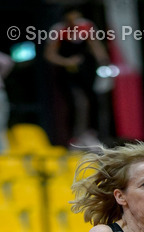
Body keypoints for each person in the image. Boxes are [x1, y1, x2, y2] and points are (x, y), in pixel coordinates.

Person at [44, 7, 109, 148]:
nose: (75, 24)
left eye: (77, 19)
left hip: (86, 70)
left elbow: (96, 46)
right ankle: (73, 138)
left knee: (94, 100)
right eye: (71, 21)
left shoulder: (87, 27)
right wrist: (66, 61)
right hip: (67, 72)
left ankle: (91, 134)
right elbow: (49, 54)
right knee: (74, 103)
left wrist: (104, 62)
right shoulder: (58, 30)